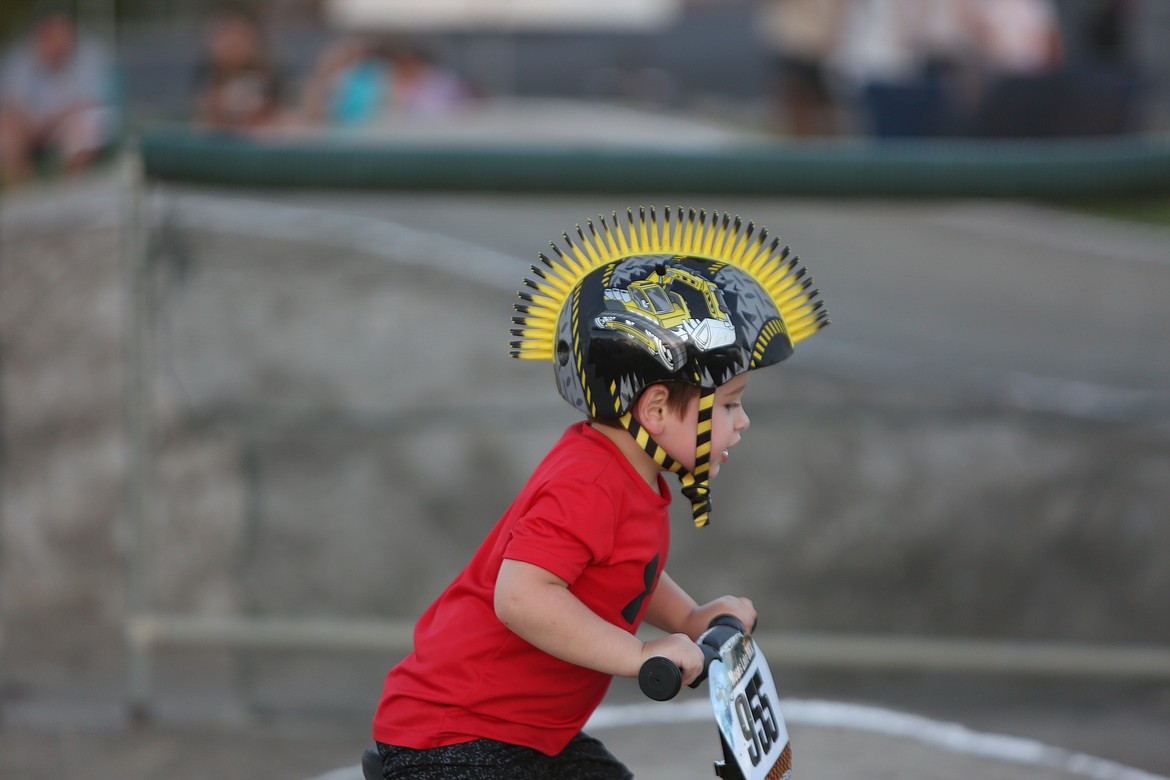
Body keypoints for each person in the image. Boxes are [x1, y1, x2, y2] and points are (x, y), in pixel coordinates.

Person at [370, 206, 830, 778]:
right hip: (454, 734)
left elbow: (626, 569)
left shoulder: (630, 474)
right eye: (729, 403)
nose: (742, 422)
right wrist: (639, 655)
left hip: (534, 736)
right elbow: (522, 596)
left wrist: (689, 619)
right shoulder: (589, 481)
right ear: (656, 409)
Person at [0, 5, 117, 187]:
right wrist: (34, 123)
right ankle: (25, 192)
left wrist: (54, 120)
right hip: (31, 126)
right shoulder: (20, 57)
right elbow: (11, 103)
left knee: (84, 130)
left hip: (68, 124)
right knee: (6, 131)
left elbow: (91, 103)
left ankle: (68, 189)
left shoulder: (91, 55)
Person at [192, 8, 284, 134]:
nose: (233, 42)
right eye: (226, 35)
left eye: (240, 35)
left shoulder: (269, 76)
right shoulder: (208, 78)